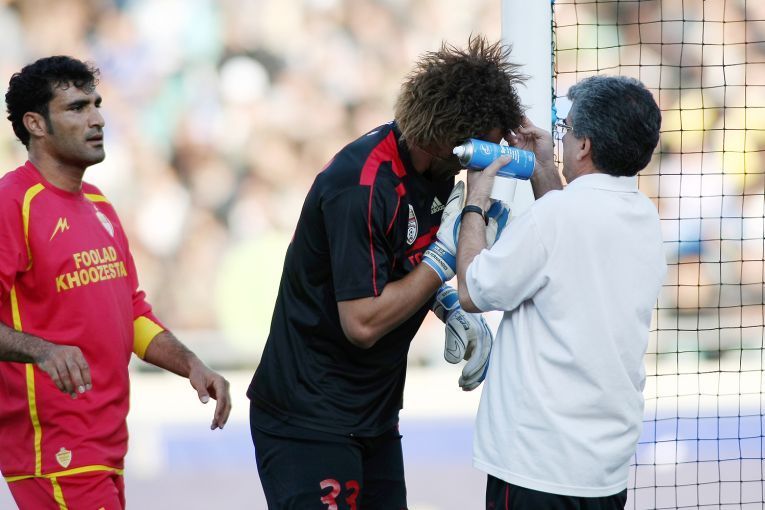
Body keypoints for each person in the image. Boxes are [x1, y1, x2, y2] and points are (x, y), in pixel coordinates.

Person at [247, 35, 524, 509]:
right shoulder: (361, 186)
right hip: (308, 419)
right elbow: (361, 324)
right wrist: (443, 259)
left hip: (373, 416)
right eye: (485, 147)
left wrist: (450, 306)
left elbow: (399, 259)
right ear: (449, 139)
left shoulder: (437, 171)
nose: (487, 161)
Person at [0, 56, 232, 509]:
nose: (97, 119)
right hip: (55, 450)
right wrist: (43, 350)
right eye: (76, 108)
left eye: (97, 105)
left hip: (105, 442)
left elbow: (133, 313)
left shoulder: (99, 204)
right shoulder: (13, 203)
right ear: (36, 124)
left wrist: (191, 364)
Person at [450, 75, 666, 509]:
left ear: (584, 146)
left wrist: (475, 201)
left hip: (536, 466)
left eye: (567, 130)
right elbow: (569, 232)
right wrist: (545, 170)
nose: (562, 138)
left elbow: (472, 290)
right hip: (603, 472)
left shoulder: (556, 217)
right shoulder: (646, 217)